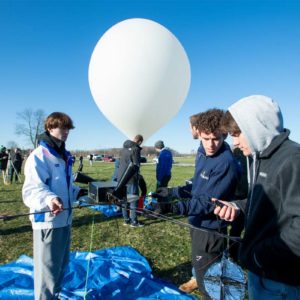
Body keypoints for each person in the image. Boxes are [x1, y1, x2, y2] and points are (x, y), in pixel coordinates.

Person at [213, 95, 300, 300]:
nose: (234, 142)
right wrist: (237, 206)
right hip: (260, 273)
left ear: (256, 126)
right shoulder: (260, 157)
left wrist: (259, 256)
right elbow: (268, 201)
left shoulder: (293, 160)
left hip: (280, 280)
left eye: (237, 134)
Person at [156, 109, 239, 299]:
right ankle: (199, 279)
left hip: (211, 229)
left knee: (209, 280)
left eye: (216, 139)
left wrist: (173, 207)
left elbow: (209, 203)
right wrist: (172, 192)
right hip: (196, 221)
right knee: (200, 266)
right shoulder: (202, 152)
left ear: (224, 135)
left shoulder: (226, 163)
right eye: (206, 138)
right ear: (199, 134)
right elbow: (198, 185)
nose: (210, 144)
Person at [22, 112, 85, 300]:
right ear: (50, 128)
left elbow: (65, 187)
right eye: (61, 127)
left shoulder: (64, 156)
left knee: (61, 266)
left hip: (64, 220)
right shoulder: (39, 156)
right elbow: (32, 190)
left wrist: (80, 193)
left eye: (68, 128)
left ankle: (54, 297)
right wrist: (50, 199)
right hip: (47, 222)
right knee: (47, 273)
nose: (66, 132)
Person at [117, 134, 144, 228]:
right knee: (133, 199)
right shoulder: (135, 149)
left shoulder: (124, 149)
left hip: (121, 178)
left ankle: (126, 220)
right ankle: (134, 221)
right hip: (131, 179)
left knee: (124, 199)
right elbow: (136, 165)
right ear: (139, 141)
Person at [154, 140, 173, 214]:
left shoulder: (163, 154)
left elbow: (162, 167)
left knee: (160, 193)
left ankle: (159, 210)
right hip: (167, 174)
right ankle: (166, 208)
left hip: (163, 176)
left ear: (157, 147)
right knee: (164, 192)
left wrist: (159, 178)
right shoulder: (168, 152)